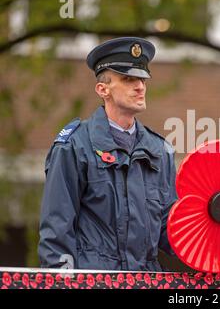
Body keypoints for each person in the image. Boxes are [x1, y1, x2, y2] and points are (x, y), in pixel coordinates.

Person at [38, 37, 177, 271]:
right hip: (96, 281)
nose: (140, 86)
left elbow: (171, 230)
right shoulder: (74, 146)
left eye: (142, 79)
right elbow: (57, 232)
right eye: (128, 79)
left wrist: (212, 240)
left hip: (148, 282)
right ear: (103, 89)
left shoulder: (160, 151)